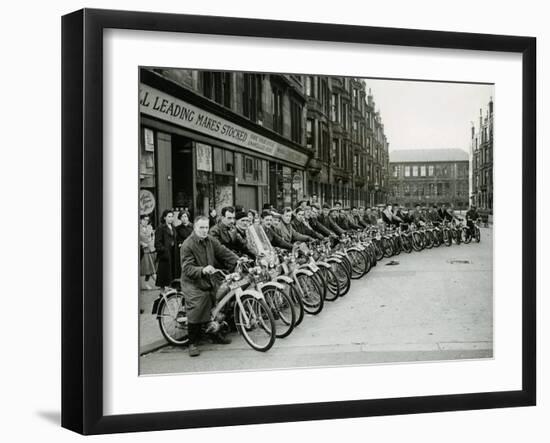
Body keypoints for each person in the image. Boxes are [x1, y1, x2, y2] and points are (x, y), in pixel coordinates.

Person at [180, 216, 239, 357]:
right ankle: (192, 342)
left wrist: (238, 260)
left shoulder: (210, 240)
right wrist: (201, 270)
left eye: (206, 227)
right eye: (201, 227)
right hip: (192, 281)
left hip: (208, 278)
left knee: (218, 299)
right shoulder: (187, 245)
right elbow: (187, 268)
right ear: (194, 228)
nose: (204, 230)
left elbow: (223, 251)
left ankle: (213, 333)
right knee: (199, 303)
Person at [154, 209, 178, 290]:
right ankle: (162, 293)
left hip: (173, 254)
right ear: (164, 217)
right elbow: (157, 243)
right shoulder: (161, 228)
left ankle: (170, 291)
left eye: (172, 217)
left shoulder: (173, 228)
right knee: (164, 276)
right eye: (169, 216)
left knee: (171, 274)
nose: (171, 218)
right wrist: (164, 250)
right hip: (165, 255)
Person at [139, 214, 156, 290]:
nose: (146, 221)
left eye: (147, 220)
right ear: (140, 220)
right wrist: (141, 243)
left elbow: (152, 237)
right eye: (144, 220)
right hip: (141, 250)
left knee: (150, 268)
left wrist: (151, 240)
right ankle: (159, 283)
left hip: (149, 250)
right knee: (148, 268)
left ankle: (147, 283)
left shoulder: (150, 227)